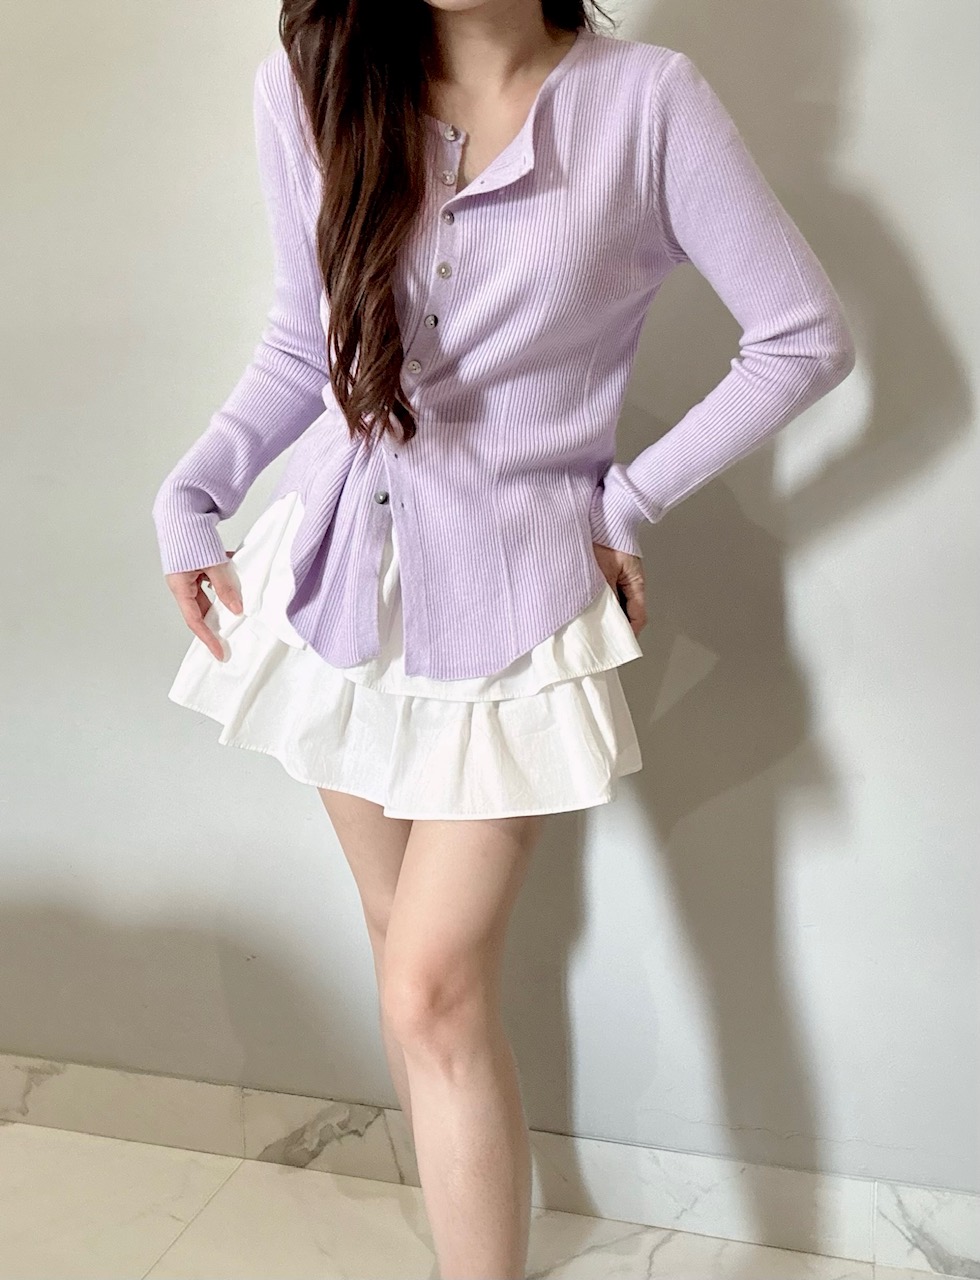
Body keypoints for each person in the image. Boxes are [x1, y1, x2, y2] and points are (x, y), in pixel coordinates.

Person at [151, 2, 856, 1275]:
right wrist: (195, 487)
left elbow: (800, 337)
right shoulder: (312, 87)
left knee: (431, 982)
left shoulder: (646, 104)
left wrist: (620, 505)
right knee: (399, 949)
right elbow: (304, 342)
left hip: (515, 594)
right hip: (338, 573)